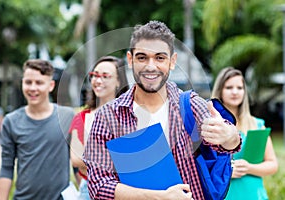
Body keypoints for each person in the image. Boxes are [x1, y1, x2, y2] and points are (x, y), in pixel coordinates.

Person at [83, 20, 241, 200]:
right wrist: (159, 196)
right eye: (142, 57)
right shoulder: (108, 116)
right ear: (130, 60)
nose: (151, 66)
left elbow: (227, 144)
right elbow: (98, 185)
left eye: (160, 58)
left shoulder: (190, 105)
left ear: (172, 61)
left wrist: (230, 136)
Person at [0, 59, 75, 200]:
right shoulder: (11, 121)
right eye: (28, 82)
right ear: (22, 83)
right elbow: (6, 167)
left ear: (51, 85)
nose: (33, 88)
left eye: (39, 83)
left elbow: (77, 164)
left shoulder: (67, 116)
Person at [211, 67, 278, 200]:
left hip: (254, 194)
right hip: (224, 194)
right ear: (220, 91)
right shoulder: (210, 126)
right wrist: (225, 173)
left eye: (239, 88)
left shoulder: (257, 125)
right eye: (229, 87)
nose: (235, 92)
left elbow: (272, 164)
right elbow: (198, 166)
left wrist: (249, 168)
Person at [69, 56, 129, 199]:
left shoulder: (130, 114)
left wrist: (91, 159)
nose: (98, 80)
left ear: (119, 81)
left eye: (105, 76)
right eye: (94, 75)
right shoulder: (81, 117)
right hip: (89, 191)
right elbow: (76, 159)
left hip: (125, 191)